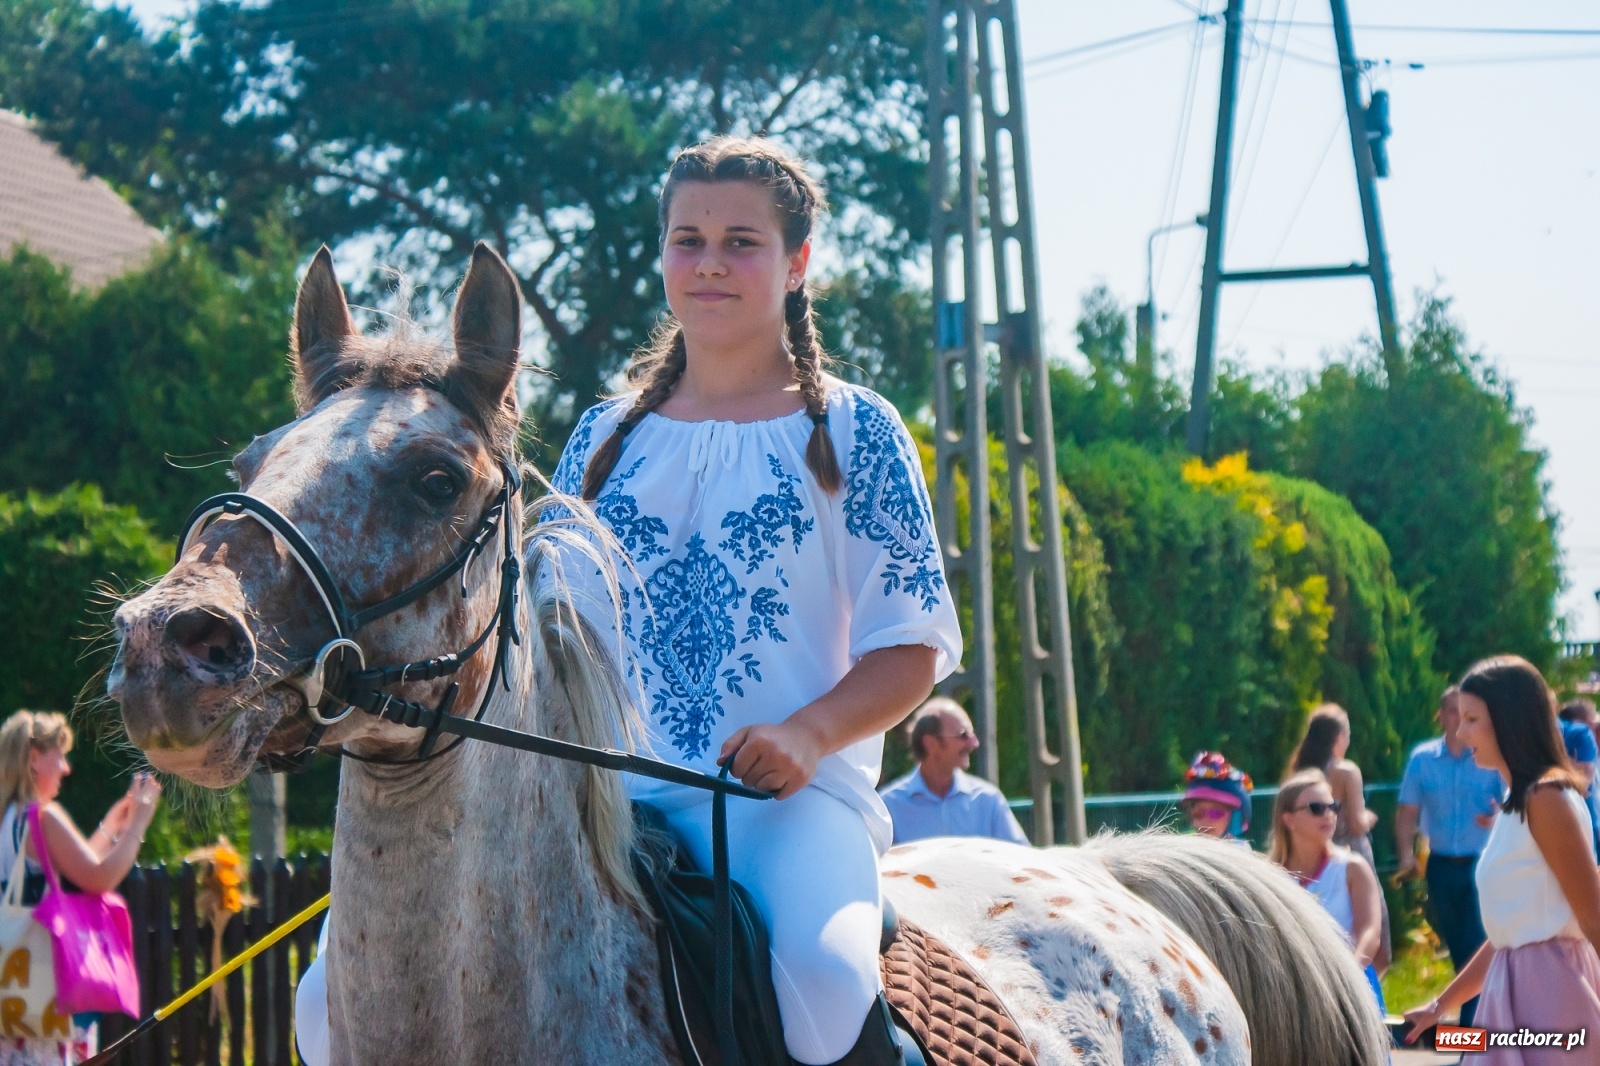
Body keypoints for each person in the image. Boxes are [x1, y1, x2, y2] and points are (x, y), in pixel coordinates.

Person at [544, 136, 961, 1065]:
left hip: (786, 809)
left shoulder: (856, 428)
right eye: (687, 239)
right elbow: (542, 635)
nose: (710, 263)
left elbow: (913, 643)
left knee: (822, 987)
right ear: (662, 256)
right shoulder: (601, 437)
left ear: (798, 262)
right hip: (600, 810)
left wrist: (809, 736)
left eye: (742, 241)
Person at [1402, 657, 1600, 1061]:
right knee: (1463, 1049)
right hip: (1513, 993)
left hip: (1551, 998)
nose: (1459, 730)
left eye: (1472, 718)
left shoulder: (1546, 799)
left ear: (1509, 720)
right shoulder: (1518, 802)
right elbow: (1509, 933)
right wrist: (1440, 1006)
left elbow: (1594, 915)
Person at [0, 711, 161, 1066]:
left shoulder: (7, 821)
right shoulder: (41, 817)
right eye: (60, 753)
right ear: (33, 758)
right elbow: (98, 877)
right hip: (40, 1001)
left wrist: (109, 828)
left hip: (8, 996)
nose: (66, 768)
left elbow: (73, 869)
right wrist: (138, 824)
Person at [1395, 685, 1504, 1027]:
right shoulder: (1422, 759)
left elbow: (1513, 803)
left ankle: (1474, 1040)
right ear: (1441, 716)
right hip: (1441, 865)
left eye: (1467, 712)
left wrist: (1498, 816)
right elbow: (1406, 811)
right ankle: (1477, 1038)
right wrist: (1405, 855)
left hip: (1481, 865)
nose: (1459, 719)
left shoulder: (1488, 757)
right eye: (1452, 711)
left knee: (1476, 949)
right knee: (1460, 951)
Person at [1269, 768, 1386, 1013]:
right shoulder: (1270, 877)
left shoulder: (1352, 867)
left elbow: (1371, 934)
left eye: (1333, 806)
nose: (1329, 815)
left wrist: (1346, 979)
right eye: (1316, 808)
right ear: (1288, 819)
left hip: (1352, 990)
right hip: (1292, 996)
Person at [1289, 703, 1390, 971]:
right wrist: (1370, 816)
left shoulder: (1299, 772)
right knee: (1371, 930)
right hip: (1348, 849)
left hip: (1309, 850)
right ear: (1338, 737)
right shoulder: (1346, 771)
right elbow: (1357, 824)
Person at [878, 698, 1028, 846]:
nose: (974, 743)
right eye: (963, 734)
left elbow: (1020, 861)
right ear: (930, 743)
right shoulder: (888, 808)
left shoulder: (988, 801)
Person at [1177, 751, 1252, 845]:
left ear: (1235, 818)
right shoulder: (1189, 850)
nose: (1205, 820)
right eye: (1198, 814)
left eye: (1215, 814)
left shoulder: (1240, 853)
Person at [1557, 699, 1599, 862]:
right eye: (1593, 723)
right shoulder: (1581, 734)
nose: (1596, 729)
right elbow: (1585, 777)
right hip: (1586, 825)